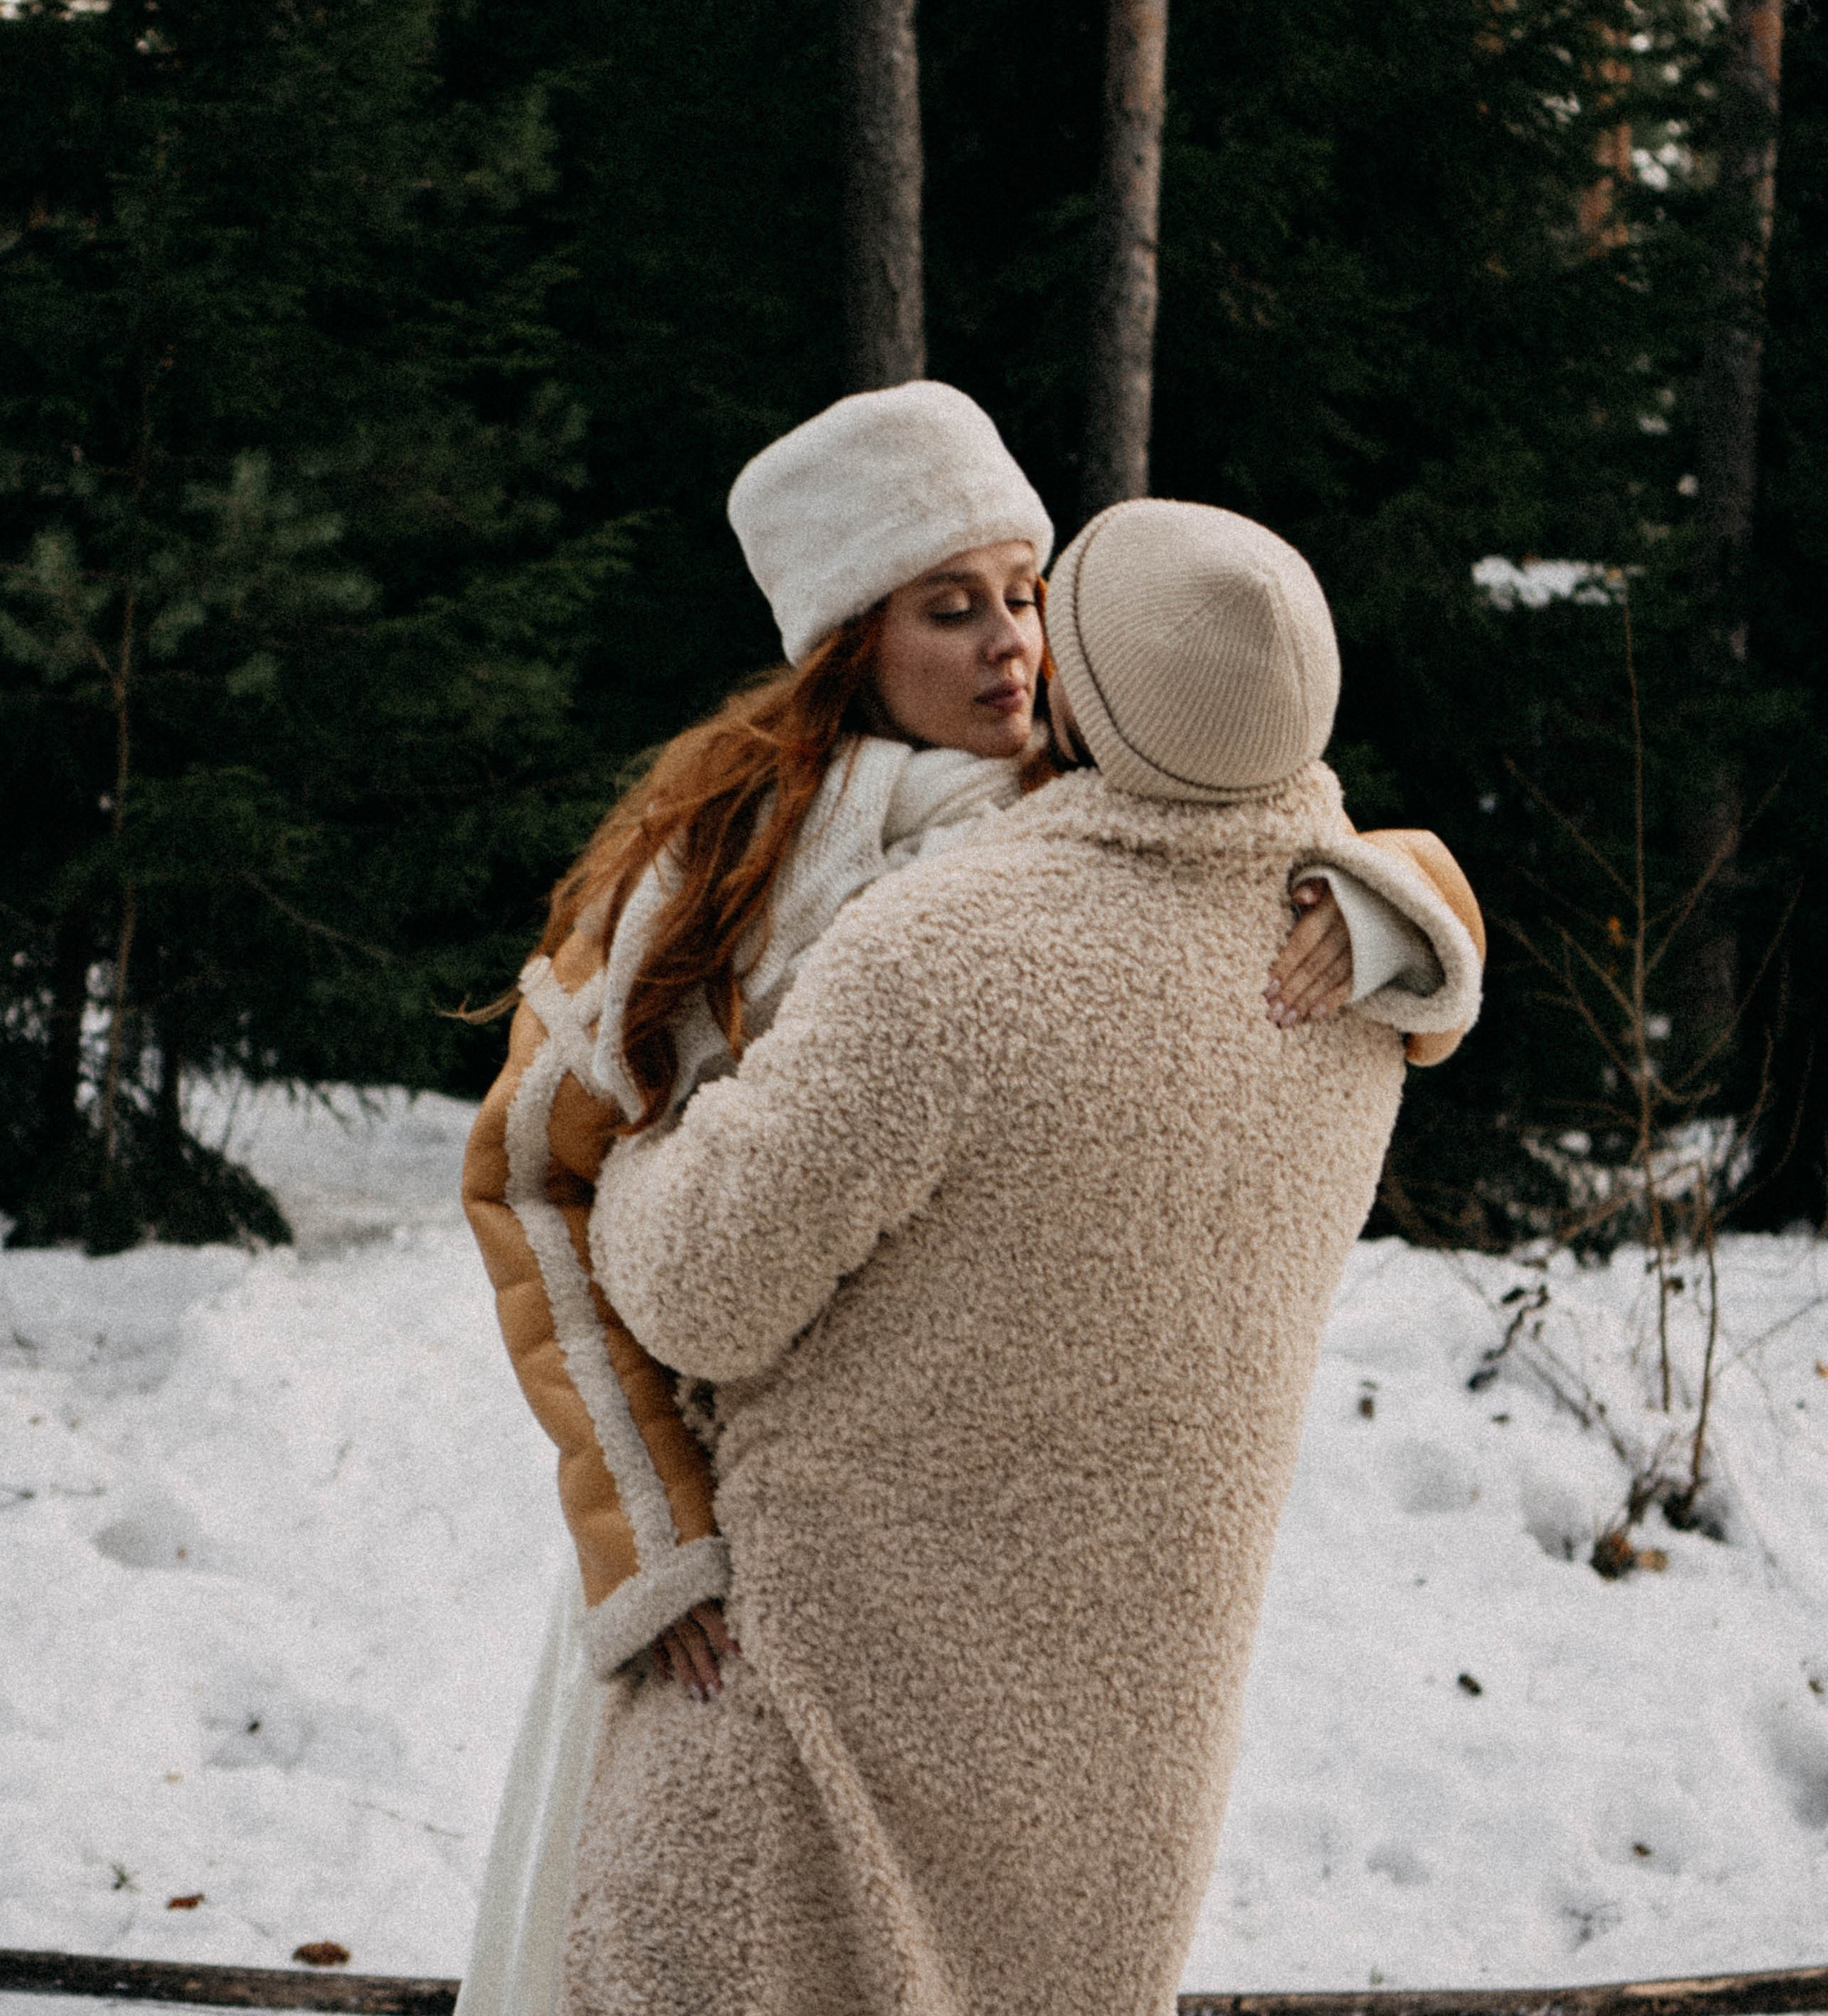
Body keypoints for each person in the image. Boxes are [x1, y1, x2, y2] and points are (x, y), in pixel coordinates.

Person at [458, 395, 1481, 2016]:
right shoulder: (717, 864)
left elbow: (1311, 819)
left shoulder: (1090, 800)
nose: (1011, 649)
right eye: (951, 610)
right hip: (724, 1565)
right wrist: (652, 1534)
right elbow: (530, 1179)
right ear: (843, 640)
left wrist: (1399, 908)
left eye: (1025, 595)